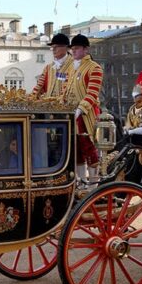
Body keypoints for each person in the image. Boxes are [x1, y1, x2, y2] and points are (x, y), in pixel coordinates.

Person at [62, 34, 103, 183]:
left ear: (86, 49)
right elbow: (65, 92)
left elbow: (92, 93)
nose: (73, 51)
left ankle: (93, 182)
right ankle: (81, 181)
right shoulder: (71, 69)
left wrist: (79, 110)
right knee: (76, 150)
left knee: (89, 148)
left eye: (77, 48)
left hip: (87, 114)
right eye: (72, 49)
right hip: (72, 114)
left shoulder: (95, 68)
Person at [32, 33, 74, 97]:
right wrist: (31, 97)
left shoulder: (75, 65)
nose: (53, 50)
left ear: (67, 48)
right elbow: (39, 86)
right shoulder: (48, 68)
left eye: (56, 47)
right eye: (52, 47)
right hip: (50, 105)